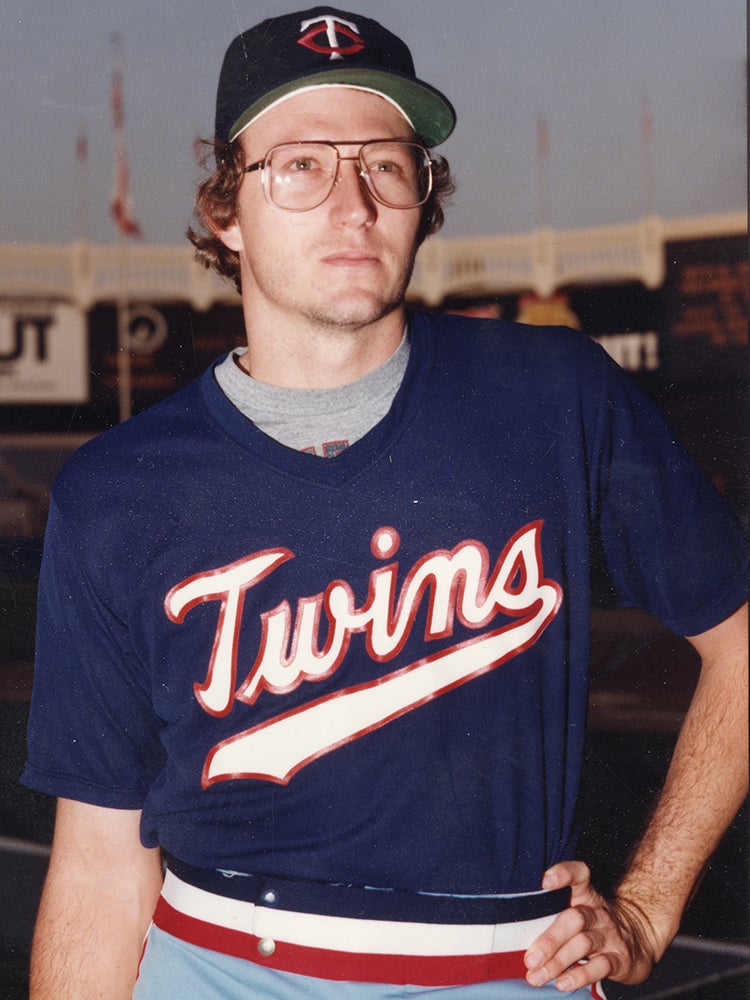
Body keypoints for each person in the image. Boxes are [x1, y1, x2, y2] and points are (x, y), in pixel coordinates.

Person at [23, 7, 747, 999]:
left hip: (503, 968)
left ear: (422, 197)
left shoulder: (555, 394)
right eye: (301, 167)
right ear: (226, 211)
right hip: (218, 964)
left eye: (385, 165)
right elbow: (101, 862)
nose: (353, 205)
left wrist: (649, 905)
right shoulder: (117, 488)